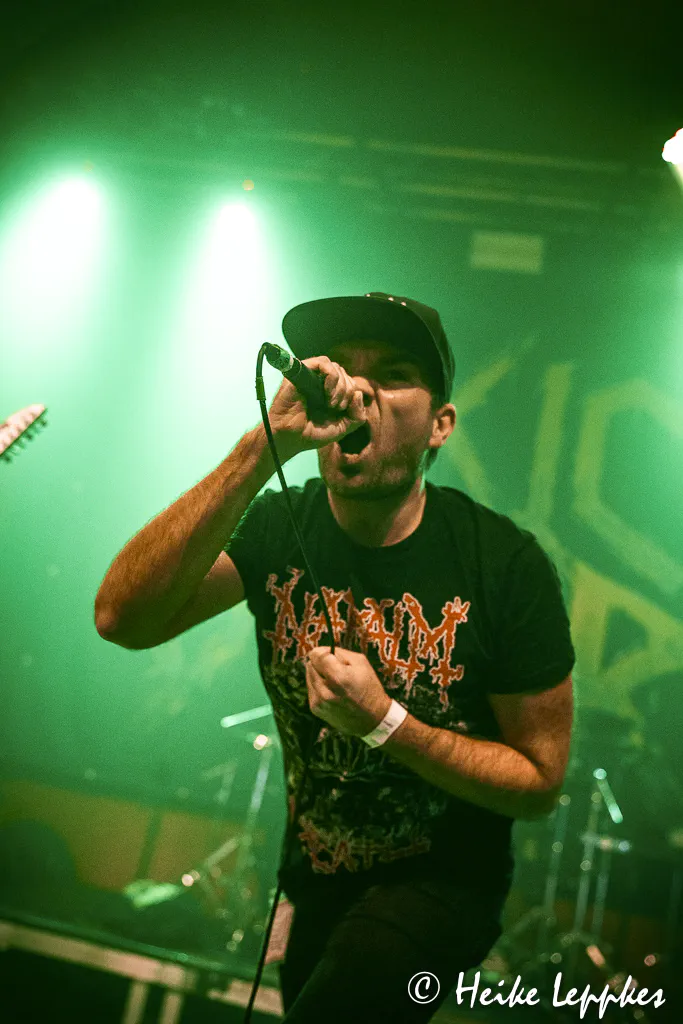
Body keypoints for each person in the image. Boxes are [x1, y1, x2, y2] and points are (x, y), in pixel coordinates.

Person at [95, 291, 575, 1022]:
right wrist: (264, 447)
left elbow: (538, 782)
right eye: (342, 367)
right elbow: (123, 618)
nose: (357, 389)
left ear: (440, 424)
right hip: (316, 881)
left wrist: (386, 723)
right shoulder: (278, 525)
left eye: (393, 373)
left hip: (443, 884)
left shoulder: (504, 565)